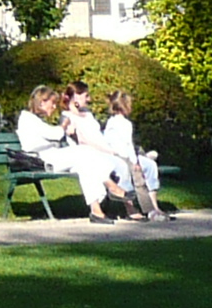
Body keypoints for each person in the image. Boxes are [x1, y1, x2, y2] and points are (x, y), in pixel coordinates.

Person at [14, 85, 134, 221]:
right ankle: (111, 186)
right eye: (52, 103)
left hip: (52, 157)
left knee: (85, 167)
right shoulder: (27, 118)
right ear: (42, 102)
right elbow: (55, 134)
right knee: (85, 151)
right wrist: (64, 125)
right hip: (43, 160)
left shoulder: (35, 120)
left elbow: (52, 136)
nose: (54, 107)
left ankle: (96, 210)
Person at [102, 89, 172, 219]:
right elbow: (128, 145)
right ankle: (149, 210)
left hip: (118, 155)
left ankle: (155, 207)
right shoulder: (125, 124)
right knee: (138, 179)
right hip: (124, 157)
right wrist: (135, 162)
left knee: (150, 166)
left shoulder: (110, 122)